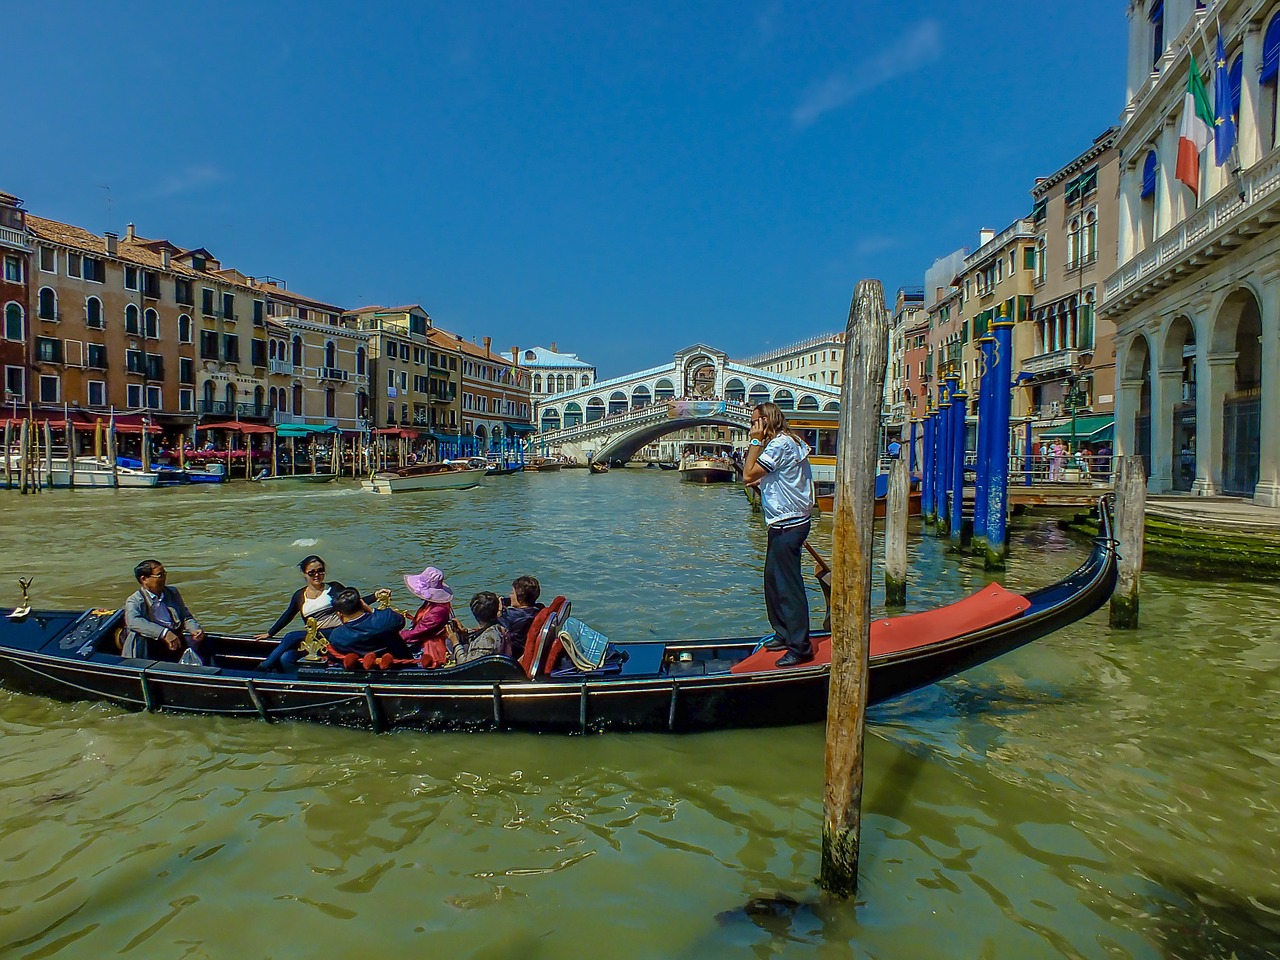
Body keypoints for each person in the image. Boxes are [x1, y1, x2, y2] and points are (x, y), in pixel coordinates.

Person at [742, 401, 815, 667]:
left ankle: (800, 646)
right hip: (783, 523)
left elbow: (747, 474)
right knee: (772, 580)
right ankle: (783, 633)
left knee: (788, 586)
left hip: (790, 524)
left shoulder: (780, 444)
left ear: (766, 421)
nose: (751, 426)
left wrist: (754, 441)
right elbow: (761, 477)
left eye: (755, 422)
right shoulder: (786, 442)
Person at [254, 555, 354, 672]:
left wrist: (376, 596)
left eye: (320, 571)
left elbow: (353, 601)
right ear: (304, 573)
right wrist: (270, 633)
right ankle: (294, 684)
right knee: (286, 657)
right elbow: (288, 615)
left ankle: (261, 668)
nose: (317, 575)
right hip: (314, 640)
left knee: (291, 636)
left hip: (335, 633)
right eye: (312, 572)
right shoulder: (300, 596)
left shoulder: (333, 588)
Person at [122, 560, 210, 662]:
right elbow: (133, 621)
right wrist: (164, 633)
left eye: (164, 574)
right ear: (144, 579)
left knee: (205, 643)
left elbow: (185, 616)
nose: (164, 578)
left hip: (175, 638)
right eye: (160, 575)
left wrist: (194, 629)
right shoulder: (135, 600)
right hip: (152, 644)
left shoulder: (172, 592)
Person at [326, 588, 410, 659]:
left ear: (339, 614)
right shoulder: (386, 618)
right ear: (362, 604)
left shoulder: (337, 636)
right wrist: (371, 610)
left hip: (361, 671)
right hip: (401, 666)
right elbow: (401, 620)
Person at [400, 565, 454, 665]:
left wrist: (397, 635)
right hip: (421, 636)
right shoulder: (431, 603)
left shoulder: (438, 610)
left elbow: (420, 631)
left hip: (429, 647)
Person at [447, 592, 510, 665]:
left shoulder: (486, 641)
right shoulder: (500, 627)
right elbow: (481, 633)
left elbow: (465, 665)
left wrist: (455, 643)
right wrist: (465, 632)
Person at [496, 575, 544, 658]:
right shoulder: (539, 609)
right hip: (522, 649)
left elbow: (496, 627)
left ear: (520, 598)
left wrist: (498, 612)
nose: (510, 595)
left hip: (512, 655)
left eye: (512, 593)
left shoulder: (511, 616)